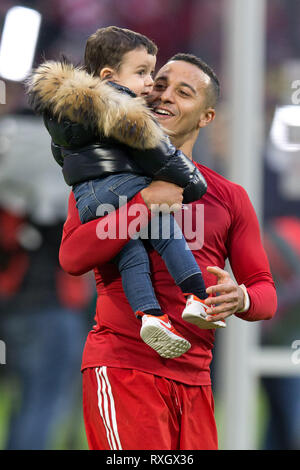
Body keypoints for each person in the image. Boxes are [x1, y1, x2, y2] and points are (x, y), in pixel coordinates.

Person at [52, 52, 277, 450]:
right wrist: (145, 204)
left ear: (206, 117)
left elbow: (264, 291)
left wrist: (239, 297)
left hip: (196, 381)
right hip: (123, 368)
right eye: (158, 85)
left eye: (183, 92)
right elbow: (72, 258)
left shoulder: (229, 197)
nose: (164, 96)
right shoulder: (101, 176)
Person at [27, 26, 225, 362]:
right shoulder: (124, 109)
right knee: (166, 233)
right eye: (143, 73)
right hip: (120, 186)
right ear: (108, 76)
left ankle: (150, 315)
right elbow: (160, 154)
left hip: (87, 197)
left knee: (130, 254)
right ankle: (197, 296)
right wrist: (193, 184)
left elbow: (63, 157)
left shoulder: (61, 110)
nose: (150, 84)